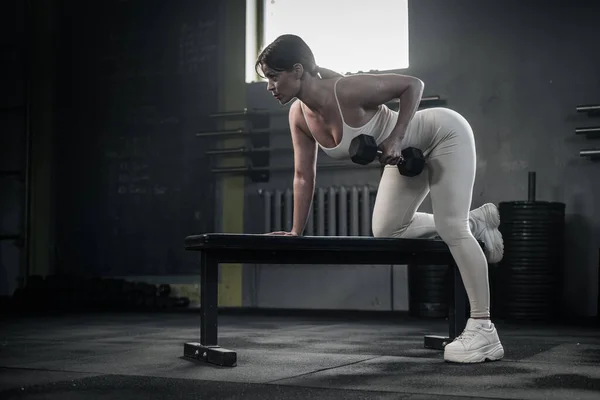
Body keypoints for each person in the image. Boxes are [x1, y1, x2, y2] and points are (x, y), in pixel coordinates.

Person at [255, 34, 504, 364]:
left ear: (298, 71)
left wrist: (396, 138)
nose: (270, 86)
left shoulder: (346, 90)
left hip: (442, 134)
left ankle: (483, 328)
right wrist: (295, 231)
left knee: (450, 227)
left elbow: (412, 85)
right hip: (406, 160)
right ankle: (476, 221)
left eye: (273, 76)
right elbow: (304, 175)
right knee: (388, 229)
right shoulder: (299, 117)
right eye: (266, 79)